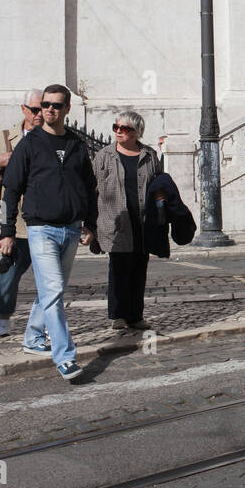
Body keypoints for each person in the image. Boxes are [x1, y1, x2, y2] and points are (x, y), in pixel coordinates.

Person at [0, 84, 98, 382]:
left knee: (51, 291)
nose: (49, 110)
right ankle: (65, 356)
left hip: (70, 230)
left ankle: (31, 338)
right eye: (45, 105)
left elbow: (89, 188)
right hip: (40, 229)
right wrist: (6, 231)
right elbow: (11, 189)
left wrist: (89, 224)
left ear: (67, 108)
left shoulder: (77, 145)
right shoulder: (29, 145)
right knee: (53, 291)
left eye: (56, 105)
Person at [0, 90, 44, 338]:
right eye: (35, 109)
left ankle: (43, 322)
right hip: (14, 219)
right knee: (9, 269)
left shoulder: (53, 137)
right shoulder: (5, 137)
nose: (40, 114)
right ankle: (2, 316)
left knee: (49, 277)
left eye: (43, 108)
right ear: (23, 109)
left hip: (47, 218)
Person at [93, 110, 159, 332]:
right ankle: (118, 315)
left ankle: (136, 315)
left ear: (137, 132)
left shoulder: (149, 155)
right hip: (115, 221)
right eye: (116, 128)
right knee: (119, 268)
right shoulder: (104, 156)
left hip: (142, 220)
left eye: (125, 129)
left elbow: (158, 185)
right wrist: (90, 224)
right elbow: (92, 189)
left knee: (140, 268)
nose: (119, 132)